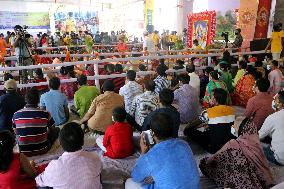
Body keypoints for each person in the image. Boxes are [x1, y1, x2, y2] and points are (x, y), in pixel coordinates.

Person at [126, 113, 200, 189]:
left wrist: (143, 153)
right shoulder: (184, 144)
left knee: (130, 182)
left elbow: (135, 176)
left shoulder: (150, 157)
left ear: (152, 134)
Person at [200, 118, 274, 189]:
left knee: (207, 164)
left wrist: (204, 163)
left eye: (234, 126)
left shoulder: (233, 144)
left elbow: (213, 160)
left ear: (239, 129)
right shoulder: (255, 141)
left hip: (241, 182)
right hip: (263, 180)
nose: (232, 127)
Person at [35, 122, 102, 189]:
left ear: (60, 144)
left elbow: (38, 182)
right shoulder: (94, 157)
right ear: (83, 141)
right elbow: (99, 170)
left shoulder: (55, 166)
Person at [185, 88, 236, 154]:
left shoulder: (208, 112)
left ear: (214, 99)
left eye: (210, 97)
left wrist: (188, 127)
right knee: (216, 129)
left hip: (214, 148)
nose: (209, 98)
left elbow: (195, 123)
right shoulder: (231, 110)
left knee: (189, 131)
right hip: (228, 143)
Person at [13, 88, 59, 156]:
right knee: (57, 130)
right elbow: (53, 128)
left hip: (23, 151)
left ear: (25, 99)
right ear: (38, 100)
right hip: (43, 149)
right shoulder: (45, 113)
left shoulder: (16, 115)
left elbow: (16, 132)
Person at [259, 91, 284, 165]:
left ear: (280, 104)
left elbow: (259, 136)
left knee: (254, 146)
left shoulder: (273, 117)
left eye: (276, 99)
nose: (273, 101)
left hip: (280, 158)